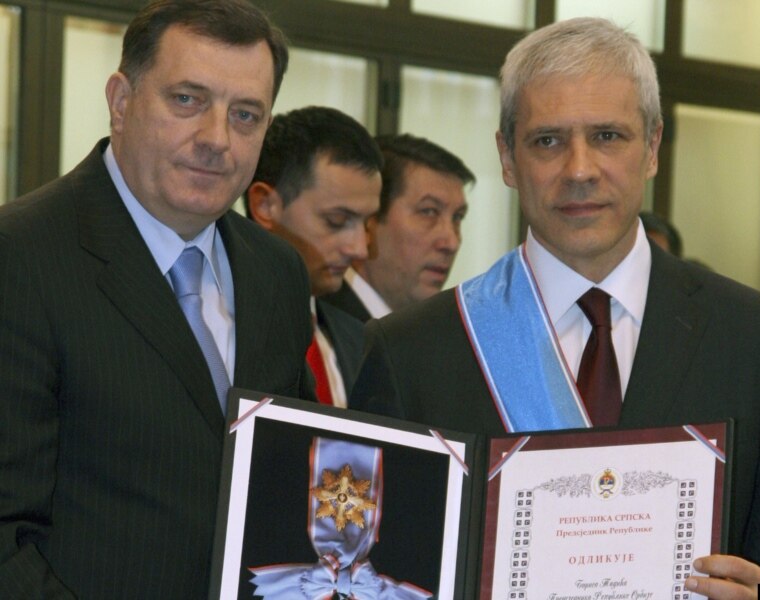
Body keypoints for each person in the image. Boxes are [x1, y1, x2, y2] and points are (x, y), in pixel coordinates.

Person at [351, 17, 760, 598]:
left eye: (608, 136)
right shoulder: (410, 351)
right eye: (548, 141)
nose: (580, 170)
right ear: (507, 158)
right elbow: (368, 576)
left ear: (653, 148)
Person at [0, 1, 314, 598]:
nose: (217, 139)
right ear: (121, 101)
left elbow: (288, 477)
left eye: (245, 115)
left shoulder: (278, 272)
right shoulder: (20, 256)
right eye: (187, 100)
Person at [245, 106, 382, 406]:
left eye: (366, 224)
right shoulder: (218, 324)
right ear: (265, 205)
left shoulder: (361, 342)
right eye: (336, 221)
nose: (359, 249)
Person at [324, 133, 474, 321]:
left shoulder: (434, 330)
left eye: (457, 217)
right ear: (369, 222)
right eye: (429, 212)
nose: (451, 243)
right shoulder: (317, 324)